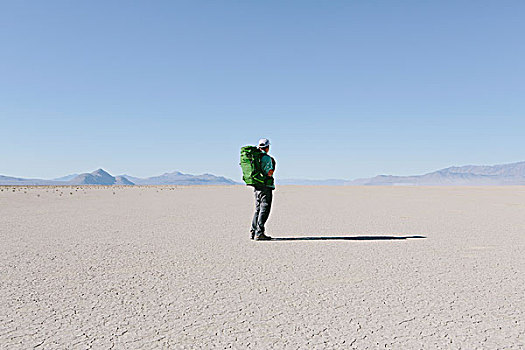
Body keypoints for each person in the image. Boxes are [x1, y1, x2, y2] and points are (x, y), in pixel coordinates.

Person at [250, 138, 275, 241]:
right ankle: (259, 233)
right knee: (264, 209)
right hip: (265, 186)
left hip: (257, 186)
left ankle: (253, 231)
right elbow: (269, 173)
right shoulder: (266, 158)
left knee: (258, 209)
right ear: (267, 147)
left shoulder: (255, 157)